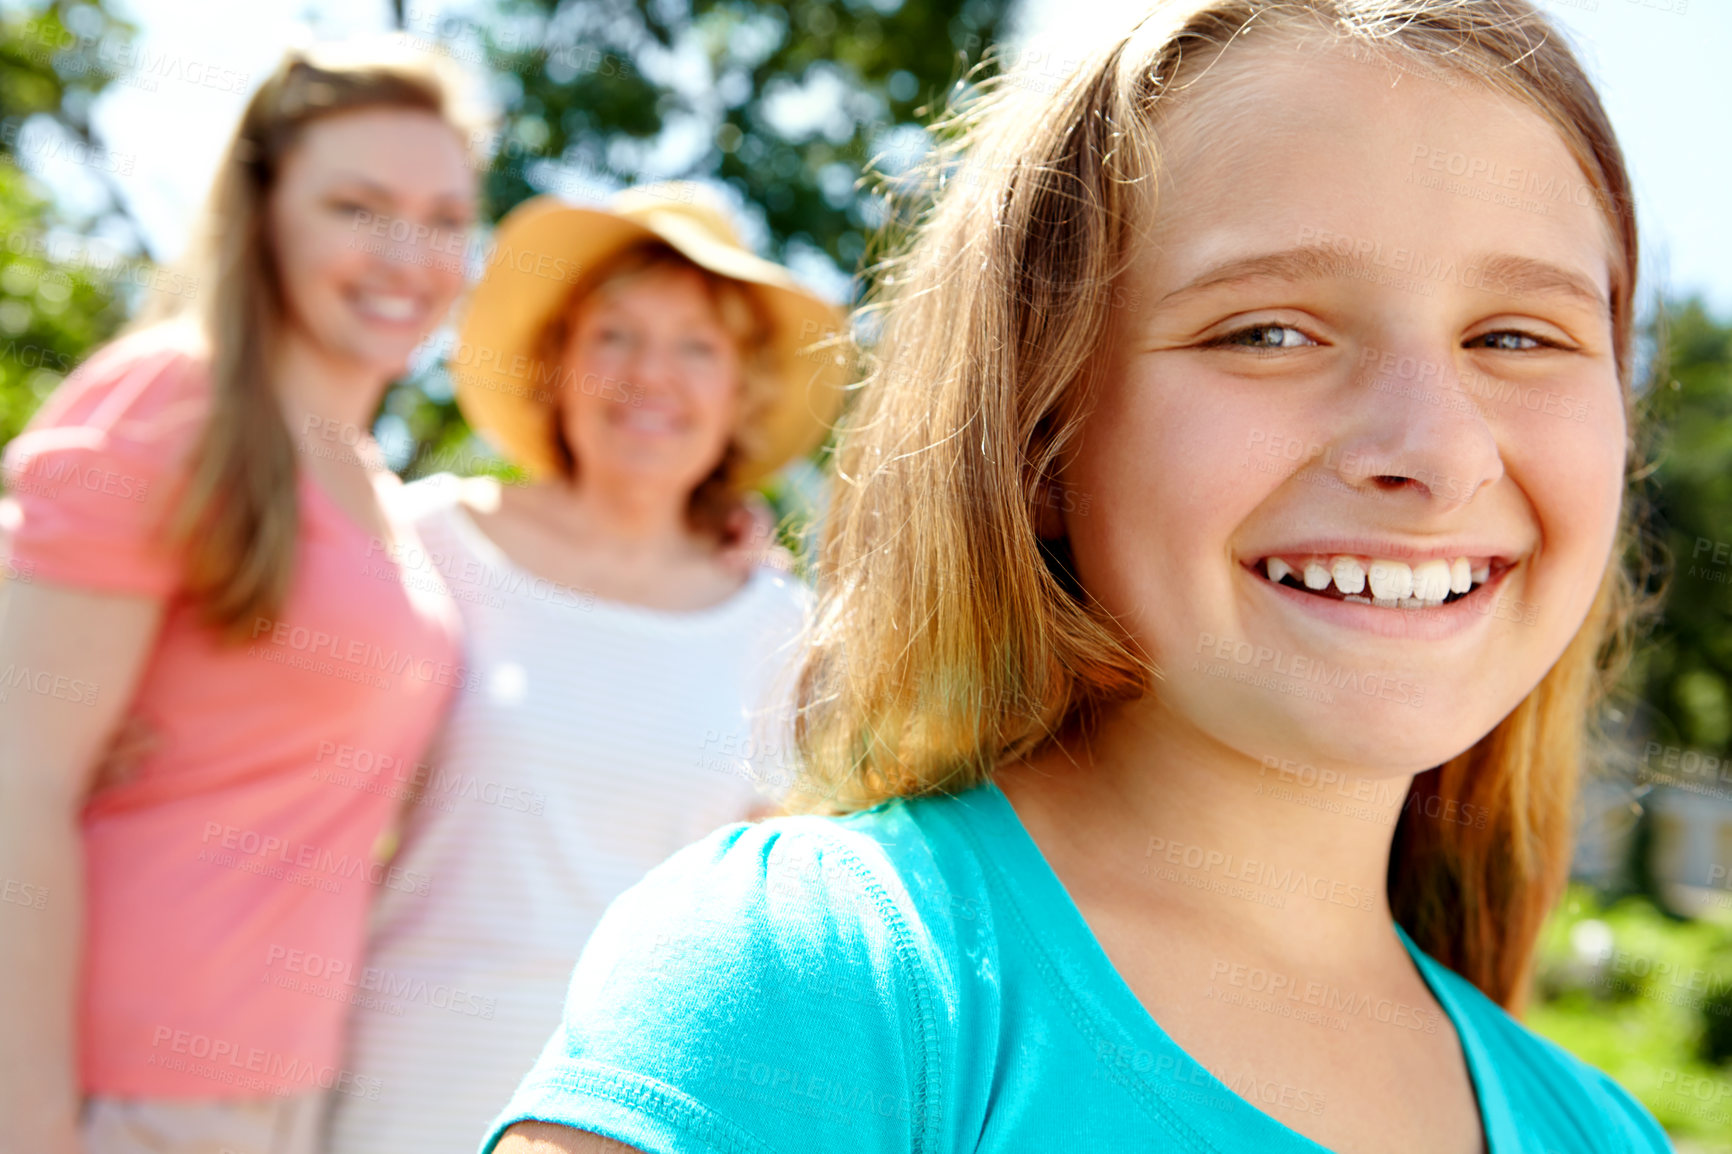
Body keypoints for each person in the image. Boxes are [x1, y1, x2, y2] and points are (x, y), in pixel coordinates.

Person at [485, 1, 1672, 1152]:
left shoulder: (1602, 1129)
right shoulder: (821, 981)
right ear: (1039, 435)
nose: (1435, 450)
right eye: (1265, 330)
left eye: (1517, 336)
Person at [0, 41, 485, 1154]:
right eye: (357, 206)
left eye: (445, 217)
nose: (407, 254)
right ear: (263, 212)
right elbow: (18, 782)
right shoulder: (174, 399)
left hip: (286, 1089)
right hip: (109, 1089)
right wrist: (28, 1121)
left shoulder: (371, 486)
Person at [321, 182, 848, 1154]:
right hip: (385, 1095)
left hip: (626, 1121)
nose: (652, 373)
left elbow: (765, 940)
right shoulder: (427, 537)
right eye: (614, 335)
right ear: (555, 366)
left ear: (741, 393)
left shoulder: (786, 629)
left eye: (698, 345)